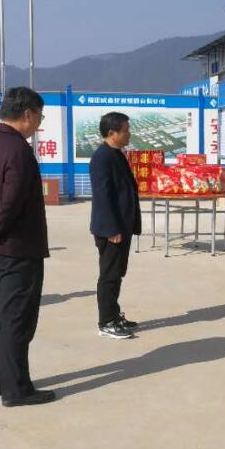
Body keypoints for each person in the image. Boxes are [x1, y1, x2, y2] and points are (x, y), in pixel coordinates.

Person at [0, 87, 56, 407]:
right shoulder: (19, 151)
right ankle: (16, 389)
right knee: (16, 319)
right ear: (28, 114)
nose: (39, 123)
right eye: (40, 116)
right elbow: (11, 203)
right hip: (16, 249)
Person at [89, 111, 142, 341]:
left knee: (117, 273)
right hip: (111, 230)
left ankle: (114, 314)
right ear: (112, 133)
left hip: (122, 226)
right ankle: (106, 322)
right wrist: (111, 229)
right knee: (109, 275)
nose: (129, 134)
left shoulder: (116, 154)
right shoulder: (102, 158)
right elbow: (103, 197)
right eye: (125, 130)